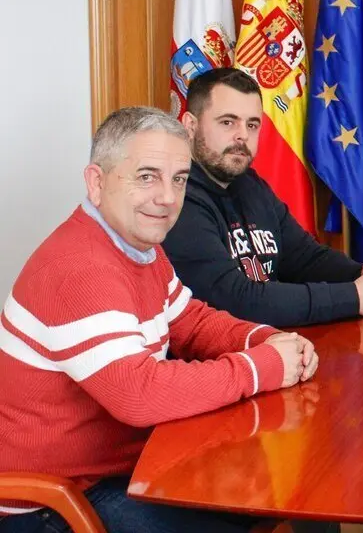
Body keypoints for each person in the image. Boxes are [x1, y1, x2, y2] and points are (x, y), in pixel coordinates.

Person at [0, 107, 315, 533]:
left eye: (179, 179)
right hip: (55, 502)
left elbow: (191, 323)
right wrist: (263, 367)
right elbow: (139, 394)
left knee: (283, 494)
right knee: (256, 506)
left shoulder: (138, 244)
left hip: (120, 465)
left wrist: (268, 338)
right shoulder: (79, 267)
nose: (168, 198)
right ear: (97, 182)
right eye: (147, 176)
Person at [162, 68, 363, 328]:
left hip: (276, 348)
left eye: (252, 124)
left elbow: (305, 257)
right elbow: (235, 300)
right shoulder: (175, 198)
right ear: (190, 126)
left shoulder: (251, 185)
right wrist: (356, 296)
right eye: (227, 122)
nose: (242, 135)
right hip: (218, 362)